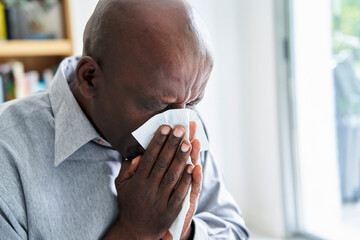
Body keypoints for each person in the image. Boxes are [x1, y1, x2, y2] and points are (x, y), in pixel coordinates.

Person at [0, 0, 249, 239]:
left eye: (193, 102)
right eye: (157, 105)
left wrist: (182, 231)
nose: (178, 127)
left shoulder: (184, 120)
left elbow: (234, 230)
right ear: (89, 78)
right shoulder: (8, 155)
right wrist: (135, 231)